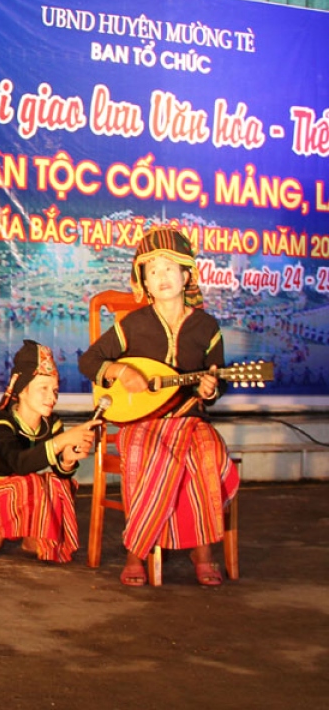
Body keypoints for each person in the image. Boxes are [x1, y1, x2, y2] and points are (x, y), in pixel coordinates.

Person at [79, 226, 239, 587]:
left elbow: (218, 379)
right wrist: (122, 371)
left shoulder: (206, 326)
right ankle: (136, 552)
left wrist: (211, 389)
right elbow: (90, 361)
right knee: (145, 454)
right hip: (142, 422)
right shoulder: (133, 324)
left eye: (169, 268)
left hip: (189, 420)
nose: (162, 277)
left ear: (186, 276)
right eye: (153, 271)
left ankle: (202, 550)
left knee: (207, 453)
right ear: (145, 284)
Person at [0, 340, 98, 562]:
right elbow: (20, 464)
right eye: (43, 389)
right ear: (22, 390)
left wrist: (68, 460)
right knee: (25, 481)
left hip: (18, 495)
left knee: (59, 483)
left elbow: (59, 470)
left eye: (55, 390)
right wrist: (61, 441)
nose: (52, 397)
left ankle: (34, 533)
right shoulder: (2, 425)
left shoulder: (51, 423)